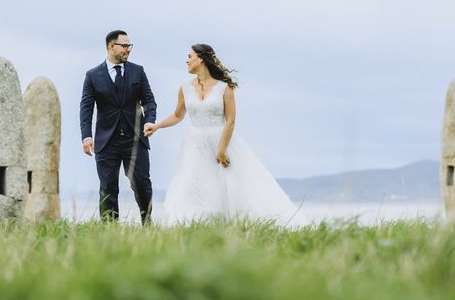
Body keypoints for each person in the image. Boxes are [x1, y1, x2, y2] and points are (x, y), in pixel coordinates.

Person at [144, 44, 305, 226]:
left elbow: (230, 120)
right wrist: (156, 126)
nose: (187, 60)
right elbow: (178, 115)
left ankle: (233, 225)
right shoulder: (184, 88)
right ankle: (189, 224)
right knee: (188, 184)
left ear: (201, 59)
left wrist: (222, 149)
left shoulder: (224, 88)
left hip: (221, 142)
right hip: (194, 144)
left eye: (190, 56)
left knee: (227, 187)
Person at [80, 30, 157, 224]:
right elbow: (86, 109)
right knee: (108, 187)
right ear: (111, 46)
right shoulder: (92, 76)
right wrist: (86, 136)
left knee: (141, 184)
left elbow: (149, 101)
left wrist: (150, 120)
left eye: (129, 46)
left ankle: (147, 224)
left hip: (135, 139)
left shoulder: (138, 71)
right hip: (107, 141)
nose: (128, 50)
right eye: (124, 46)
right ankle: (109, 230)